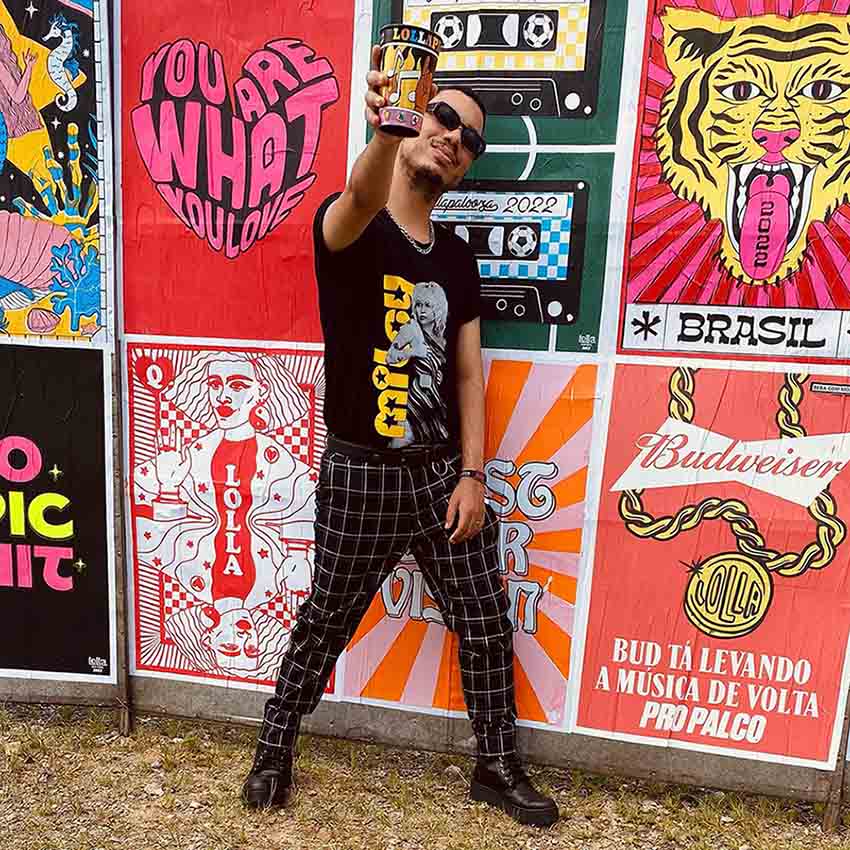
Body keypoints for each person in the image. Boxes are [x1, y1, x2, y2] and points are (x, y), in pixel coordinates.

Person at [241, 44, 559, 829]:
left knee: (485, 616)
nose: (454, 137)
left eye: (471, 139)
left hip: (439, 476)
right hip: (358, 474)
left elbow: (467, 378)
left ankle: (496, 764)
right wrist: (386, 125)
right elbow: (354, 193)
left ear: (467, 168)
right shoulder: (351, 226)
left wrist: (474, 476)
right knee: (326, 618)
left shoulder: (456, 260)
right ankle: (275, 746)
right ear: (414, 122)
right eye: (443, 117)